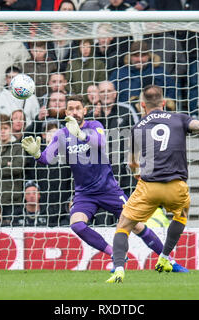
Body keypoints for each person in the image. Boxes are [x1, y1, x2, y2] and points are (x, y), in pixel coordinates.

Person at [21, 95, 183, 272]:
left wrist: (80, 135)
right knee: (76, 224)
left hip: (109, 190)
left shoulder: (95, 126)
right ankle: (113, 253)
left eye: (78, 108)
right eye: (71, 109)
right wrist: (37, 154)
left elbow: (101, 143)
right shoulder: (61, 134)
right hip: (85, 194)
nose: (74, 112)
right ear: (66, 112)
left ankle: (169, 261)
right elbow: (47, 158)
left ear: (85, 110)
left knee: (136, 225)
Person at [106, 85, 199, 283]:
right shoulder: (179, 118)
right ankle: (165, 257)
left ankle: (118, 269)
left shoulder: (138, 127)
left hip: (149, 186)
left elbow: (132, 162)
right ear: (164, 103)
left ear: (142, 105)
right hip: (176, 186)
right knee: (181, 215)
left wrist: (136, 173)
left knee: (124, 226)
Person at [109, 40, 176, 105]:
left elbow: (172, 92)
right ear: (130, 57)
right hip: (127, 113)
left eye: (143, 55)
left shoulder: (160, 72)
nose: (139, 59)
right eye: (136, 56)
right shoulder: (119, 74)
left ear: (148, 56)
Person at [0, 22, 30, 97]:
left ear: (6, 28)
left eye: (1, 26)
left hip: (9, 93)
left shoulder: (16, 44)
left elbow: (26, 65)